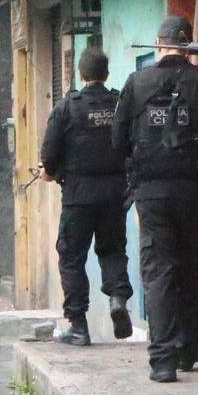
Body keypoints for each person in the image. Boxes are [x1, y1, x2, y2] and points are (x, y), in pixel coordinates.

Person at [114, 15, 198, 383]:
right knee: (190, 264)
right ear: (189, 44)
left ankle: (162, 359)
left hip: (152, 192)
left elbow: (118, 141)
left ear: (159, 44)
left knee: (159, 269)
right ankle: (188, 348)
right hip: (196, 190)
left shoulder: (137, 82)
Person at [38, 48, 136, 346]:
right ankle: (118, 298)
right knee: (112, 250)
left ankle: (79, 326)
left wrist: (48, 171)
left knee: (71, 258)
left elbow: (49, 158)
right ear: (106, 75)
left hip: (78, 197)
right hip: (114, 195)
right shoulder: (120, 104)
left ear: (81, 75)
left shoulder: (67, 107)